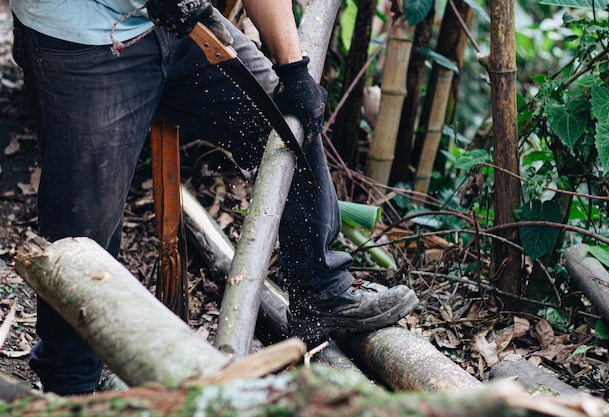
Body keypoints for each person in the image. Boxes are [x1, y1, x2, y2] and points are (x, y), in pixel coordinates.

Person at [10, 0, 419, 395]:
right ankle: (71, 379)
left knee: (286, 126)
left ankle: (320, 290)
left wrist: (293, 71)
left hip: (179, 27)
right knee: (85, 222)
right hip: (80, 37)